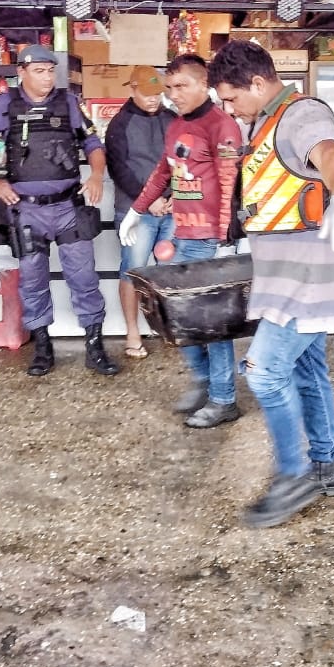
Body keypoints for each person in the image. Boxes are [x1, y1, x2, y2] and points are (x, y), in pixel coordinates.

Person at [206, 40, 334, 528]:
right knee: (307, 368)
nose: (228, 109)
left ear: (258, 83)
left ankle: (293, 476)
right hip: (285, 274)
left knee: (263, 373)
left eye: (231, 98)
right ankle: (327, 464)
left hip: (307, 277)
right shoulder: (264, 122)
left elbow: (333, 156)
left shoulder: (300, 115)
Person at [0, 44, 118, 377]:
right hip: (27, 211)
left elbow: (93, 143)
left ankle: (95, 347)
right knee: (32, 281)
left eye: (50, 71)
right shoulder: (4, 104)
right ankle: (43, 348)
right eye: (39, 71)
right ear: (21, 72)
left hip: (68, 207)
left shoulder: (68, 102)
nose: (47, 78)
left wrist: (96, 175)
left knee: (84, 278)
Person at [119, 54, 243, 428]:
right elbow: (163, 173)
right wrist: (136, 211)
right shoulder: (176, 125)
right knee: (180, 319)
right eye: (169, 88)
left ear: (203, 84)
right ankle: (203, 383)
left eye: (181, 86)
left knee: (213, 324)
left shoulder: (221, 125)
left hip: (209, 240)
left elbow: (228, 183)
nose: (174, 95)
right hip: (181, 234)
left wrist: (225, 238)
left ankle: (224, 399)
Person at [106, 64, 176, 359]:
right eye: (147, 94)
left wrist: (175, 196)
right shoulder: (119, 124)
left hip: (171, 208)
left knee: (171, 272)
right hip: (134, 211)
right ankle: (133, 333)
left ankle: (172, 329)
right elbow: (119, 169)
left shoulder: (172, 119)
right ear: (132, 89)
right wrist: (147, 201)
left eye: (157, 93)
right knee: (132, 271)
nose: (153, 99)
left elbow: (182, 160)